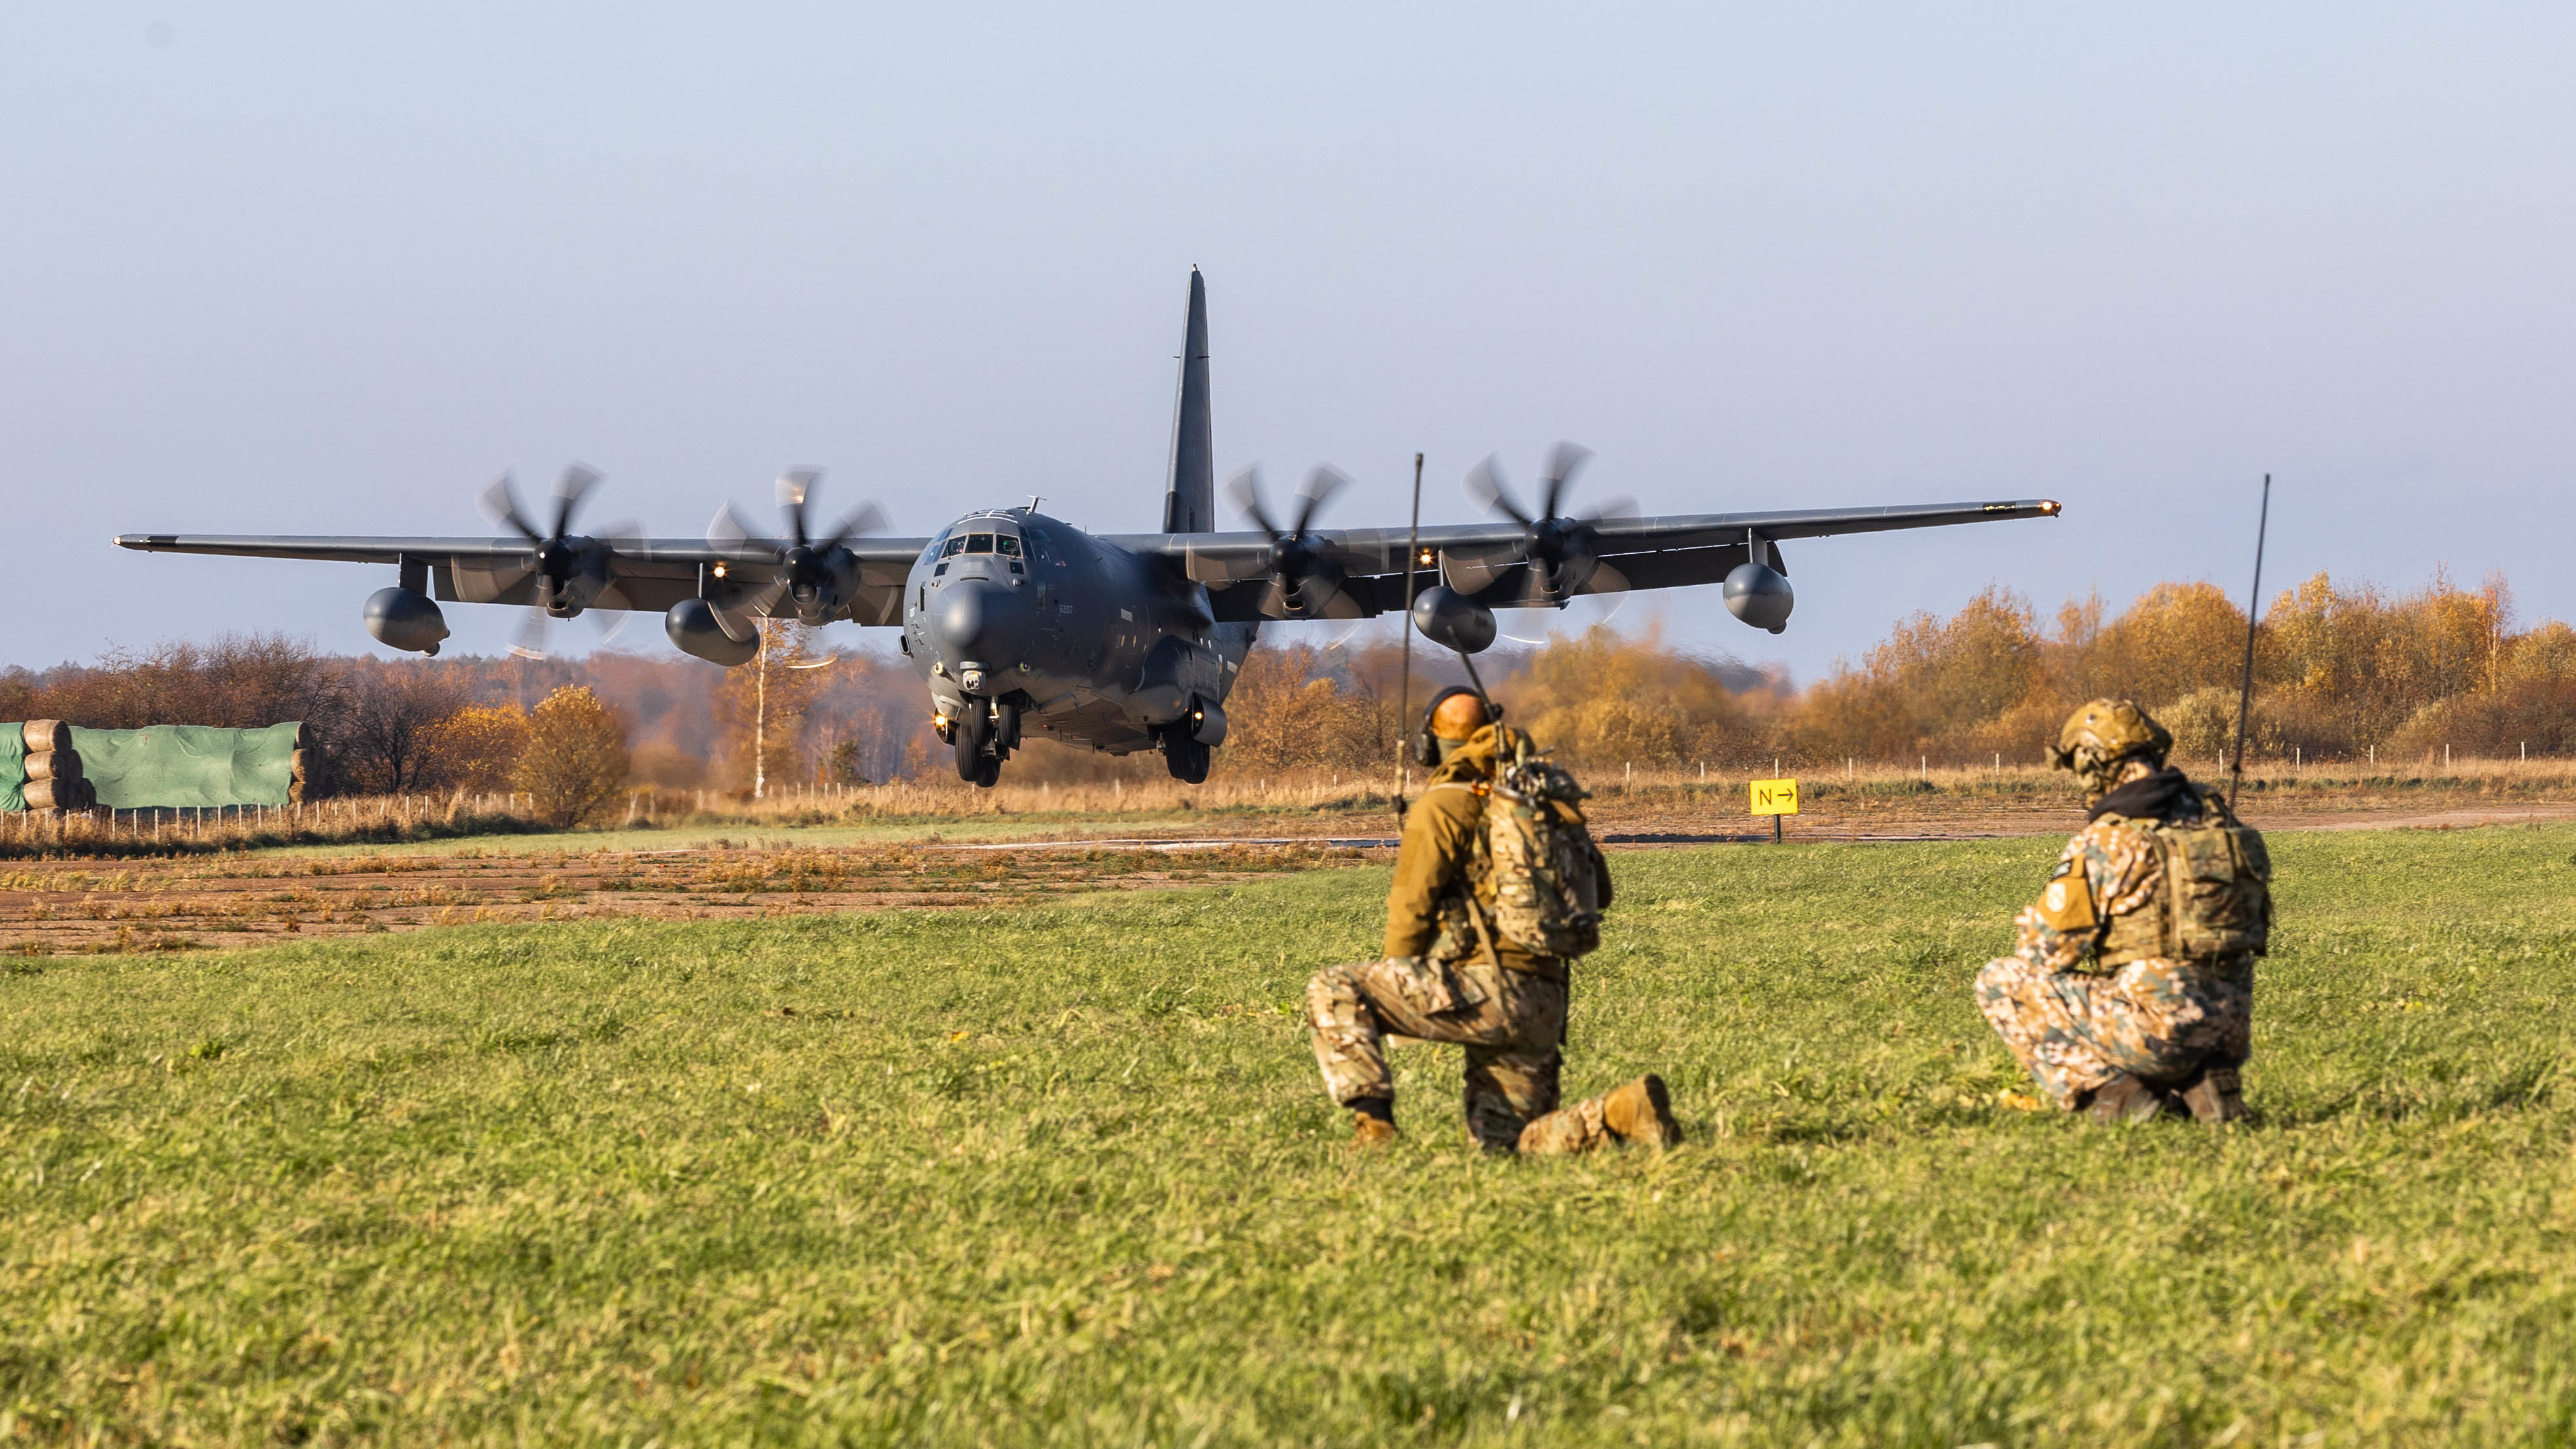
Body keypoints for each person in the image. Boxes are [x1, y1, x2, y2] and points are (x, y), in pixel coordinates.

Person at [1303, 687, 1682, 1153]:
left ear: (1433, 745)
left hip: (1483, 992)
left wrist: (1398, 983)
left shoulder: (1443, 805)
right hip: (1544, 1000)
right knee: (1506, 1145)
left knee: (1334, 988)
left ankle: (1375, 1129)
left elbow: (1411, 909)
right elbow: (1600, 892)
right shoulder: (1541, 802)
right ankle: (1622, 1111)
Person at [1975, 698, 2271, 1123]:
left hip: (2162, 1034)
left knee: (2001, 982)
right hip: (2231, 1030)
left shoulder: (2109, 839)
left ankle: (2121, 1097)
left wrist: (2031, 925)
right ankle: (2203, 1082)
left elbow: (2044, 956)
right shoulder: (2218, 821)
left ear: (2093, 763)